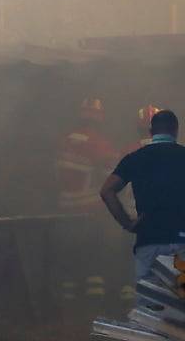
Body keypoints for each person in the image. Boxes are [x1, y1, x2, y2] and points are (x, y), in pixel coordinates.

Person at [101, 109, 185, 282]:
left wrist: (127, 223)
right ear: (176, 130)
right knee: (180, 302)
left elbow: (107, 190)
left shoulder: (135, 158)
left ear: (151, 132)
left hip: (148, 240)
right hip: (182, 242)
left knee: (150, 302)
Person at [55, 98, 120, 305]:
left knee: (70, 256)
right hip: (90, 209)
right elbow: (112, 173)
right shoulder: (98, 143)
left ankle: (68, 301)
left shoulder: (66, 139)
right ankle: (94, 306)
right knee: (94, 255)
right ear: (100, 119)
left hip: (66, 208)